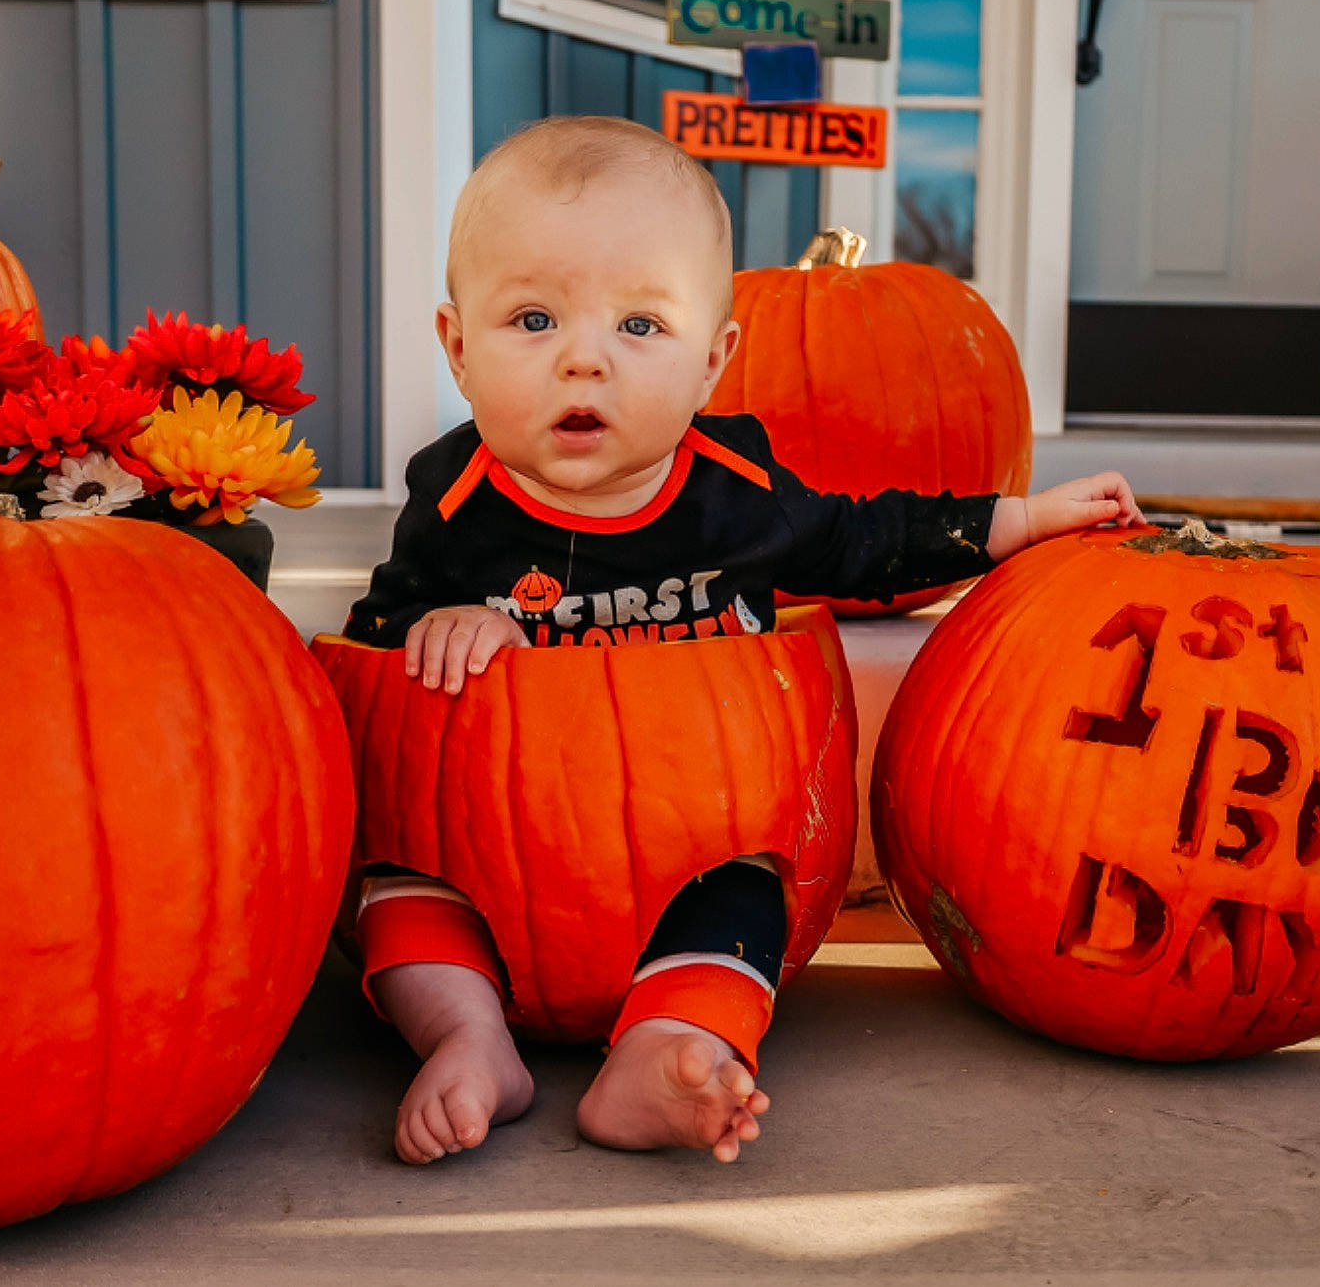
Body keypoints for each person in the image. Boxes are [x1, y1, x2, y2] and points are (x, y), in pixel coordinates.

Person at [343, 114, 1147, 1167]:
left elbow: (866, 542)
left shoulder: (737, 492)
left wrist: (1023, 520)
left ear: (713, 362)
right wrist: (428, 625)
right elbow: (368, 655)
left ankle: (666, 1047)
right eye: (533, 319)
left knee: (752, 892)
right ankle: (466, 1036)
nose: (583, 360)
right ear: (458, 348)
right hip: (491, 852)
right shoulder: (452, 504)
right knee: (400, 889)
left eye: (640, 326)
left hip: (692, 835)